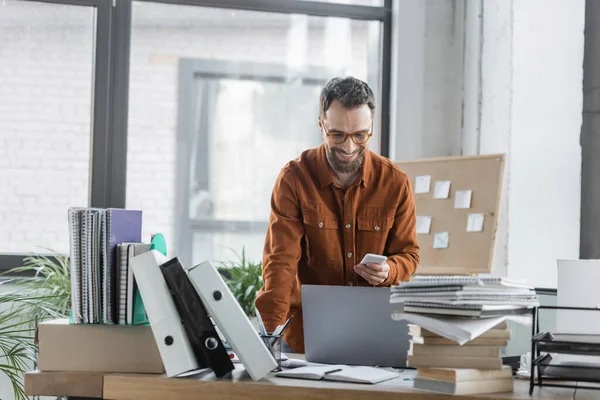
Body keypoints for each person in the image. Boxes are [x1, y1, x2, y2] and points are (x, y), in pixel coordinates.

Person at [254, 76, 420, 353]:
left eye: (359, 135)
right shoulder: (294, 180)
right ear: (321, 124)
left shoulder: (395, 182)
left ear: (371, 128)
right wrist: (269, 334)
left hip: (374, 333)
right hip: (305, 337)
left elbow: (409, 256)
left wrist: (389, 270)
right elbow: (280, 263)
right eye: (337, 134)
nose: (349, 147)